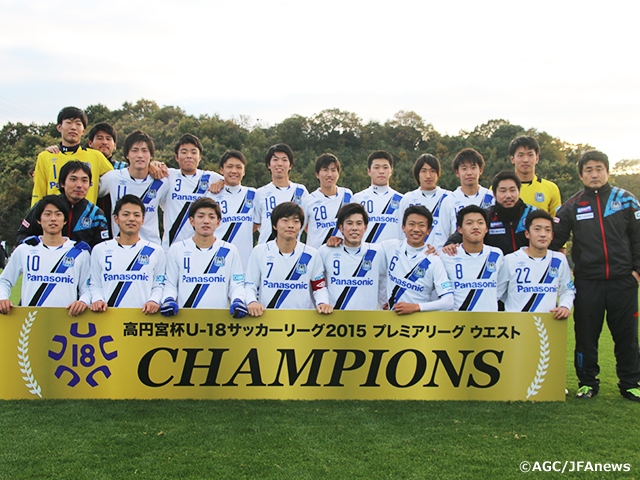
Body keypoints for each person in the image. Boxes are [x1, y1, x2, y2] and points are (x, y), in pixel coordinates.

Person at [550, 150, 640, 401]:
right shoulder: (571, 206)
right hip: (588, 281)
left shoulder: (626, 200)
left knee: (627, 335)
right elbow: (554, 241)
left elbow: (638, 237)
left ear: (607, 171)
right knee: (586, 336)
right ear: (581, 175)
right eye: (588, 170)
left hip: (624, 281)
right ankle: (587, 383)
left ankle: (631, 383)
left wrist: (636, 272)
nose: (594, 174)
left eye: (599, 168)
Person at [0, 195, 91, 315]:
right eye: (47, 214)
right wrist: (2, 298)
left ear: (64, 220)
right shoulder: (25, 249)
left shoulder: (79, 252)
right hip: (31, 322)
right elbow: (5, 281)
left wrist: (83, 301)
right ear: (39, 220)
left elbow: (88, 287)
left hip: (67, 322)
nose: (53, 219)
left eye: (58, 214)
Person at [160, 198, 247, 316]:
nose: (206, 221)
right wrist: (168, 300)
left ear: (218, 222)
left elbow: (237, 284)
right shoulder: (177, 249)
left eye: (211, 217)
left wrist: (238, 300)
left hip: (219, 321)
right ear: (191, 221)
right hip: (185, 321)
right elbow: (170, 284)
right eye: (201, 216)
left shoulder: (229, 250)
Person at [245, 202, 332, 315]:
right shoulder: (260, 251)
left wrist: (322, 303)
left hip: (302, 321)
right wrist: (252, 302)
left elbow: (319, 287)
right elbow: (250, 284)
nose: (290, 225)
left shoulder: (311, 254)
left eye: (296, 221)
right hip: (267, 320)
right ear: (274, 225)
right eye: (285, 220)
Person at [89, 195, 165, 313]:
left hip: (143, 317)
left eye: (136, 215)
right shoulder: (100, 250)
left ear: (143, 219)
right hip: (107, 317)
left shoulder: (155, 250)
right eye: (125, 214)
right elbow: (95, 284)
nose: (131, 219)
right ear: (116, 218)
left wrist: (153, 301)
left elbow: (159, 284)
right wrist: (97, 299)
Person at [31, 106, 114, 206]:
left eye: (78, 124)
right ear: (59, 127)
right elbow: (38, 193)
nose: (73, 127)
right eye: (69, 122)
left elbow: (116, 181)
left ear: (83, 131)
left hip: (85, 217)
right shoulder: (45, 157)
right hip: (56, 218)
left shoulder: (96, 156)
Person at [498, 210, 574, 317]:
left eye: (547, 230)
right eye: (537, 229)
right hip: (516, 325)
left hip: (547, 325)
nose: (543, 234)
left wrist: (564, 306)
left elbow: (568, 289)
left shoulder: (558, 260)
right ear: (527, 234)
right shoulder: (510, 260)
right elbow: (497, 293)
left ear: (552, 235)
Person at [98, 130, 168, 245]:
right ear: (127, 155)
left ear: (151, 155)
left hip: (151, 249)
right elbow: (89, 192)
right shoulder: (113, 178)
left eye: (144, 151)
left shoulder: (162, 182)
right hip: (121, 247)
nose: (140, 155)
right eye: (134, 150)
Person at [381, 205, 454, 315]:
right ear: (403, 227)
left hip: (419, 325)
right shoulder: (390, 247)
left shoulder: (434, 260)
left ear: (428, 230)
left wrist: (416, 307)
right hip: (392, 323)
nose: (416, 229)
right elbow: (363, 249)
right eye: (411, 224)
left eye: (421, 225)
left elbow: (449, 302)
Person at [18, 161, 109, 248]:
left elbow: (102, 248)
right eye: (73, 179)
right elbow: (22, 235)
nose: (79, 185)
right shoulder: (45, 207)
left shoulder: (96, 214)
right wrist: (35, 245)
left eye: (84, 181)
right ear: (62, 183)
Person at [443, 171, 536, 255]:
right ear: (494, 194)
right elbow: (462, 233)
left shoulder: (532, 214)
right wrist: (450, 244)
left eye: (512, 190)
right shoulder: (486, 216)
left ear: (519, 192)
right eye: (503, 191)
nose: (508, 195)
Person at [159, 133, 224, 250]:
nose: (189, 156)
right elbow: (151, 169)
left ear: (200, 157)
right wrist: (154, 164)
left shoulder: (209, 177)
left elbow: (232, 181)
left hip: (201, 248)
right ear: (176, 157)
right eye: (184, 152)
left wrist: (222, 182)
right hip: (170, 248)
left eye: (194, 152)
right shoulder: (168, 175)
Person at [319, 203, 386, 310]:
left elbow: (384, 283)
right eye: (349, 223)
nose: (354, 228)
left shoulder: (377, 252)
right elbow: (318, 284)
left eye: (359, 223)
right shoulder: (326, 251)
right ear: (341, 227)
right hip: (334, 319)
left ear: (365, 227)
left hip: (368, 320)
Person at [439, 205, 504, 312]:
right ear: (459, 229)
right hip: (456, 322)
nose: (475, 227)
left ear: (486, 228)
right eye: (469, 223)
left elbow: (500, 289)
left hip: (489, 322)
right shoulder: (447, 255)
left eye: (480, 223)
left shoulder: (496, 254)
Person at [432, 148, 494, 249]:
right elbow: (441, 236)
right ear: (457, 172)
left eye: (473, 168)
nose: (469, 173)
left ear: (481, 170)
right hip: (458, 256)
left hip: (486, 255)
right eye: (464, 169)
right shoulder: (449, 200)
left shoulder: (492, 197)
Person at [206, 150, 256, 270]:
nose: (234, 171)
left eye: (239, 167)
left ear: (244, 171)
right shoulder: (211, 195)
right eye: (229, 167)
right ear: (222, 170)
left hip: (245, 261)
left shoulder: (253, 194)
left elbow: (257, 224)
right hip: (217, 259)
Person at [254, 144, 309, 244]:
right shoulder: (260, 193)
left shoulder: (300, 191)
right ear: (268, 165)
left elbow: (308, 225)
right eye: (275, 160)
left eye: (284, 160)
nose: (279, 163)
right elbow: (252, 226)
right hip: (266, 251)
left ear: (290, 165)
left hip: (292, 250)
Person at [302, 153, 353, 249]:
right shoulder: (308, 200)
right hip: (317, 254)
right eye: (325, 170)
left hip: (341, 252)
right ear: (317, 174)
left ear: (338, 173)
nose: (329, 174)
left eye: (333, 170)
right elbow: (301, 226)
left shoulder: (347, 195)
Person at [398, 153, 451, 246]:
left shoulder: (449, 197)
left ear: (438, 173)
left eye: (432, 171)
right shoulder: (408, 198)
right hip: (414, 255)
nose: (428, 176)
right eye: (423, 171)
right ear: (417, 173)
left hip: (442, 255)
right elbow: (401, 233)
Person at [353, 150, 403, 243]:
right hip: (366, 254)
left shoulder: (402, 200)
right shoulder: (357, 199)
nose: (381, 171)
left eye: (385, 167)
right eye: (376, 167)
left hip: (393, 254)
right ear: (369, 171)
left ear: (391, 170)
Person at [509, 136, 562, 214]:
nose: (525, 160)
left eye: (530, 155)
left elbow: (556, 221)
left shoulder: (551, 188)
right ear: (512, 159)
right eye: (521, 155)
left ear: (537, 158)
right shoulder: (498, 189)